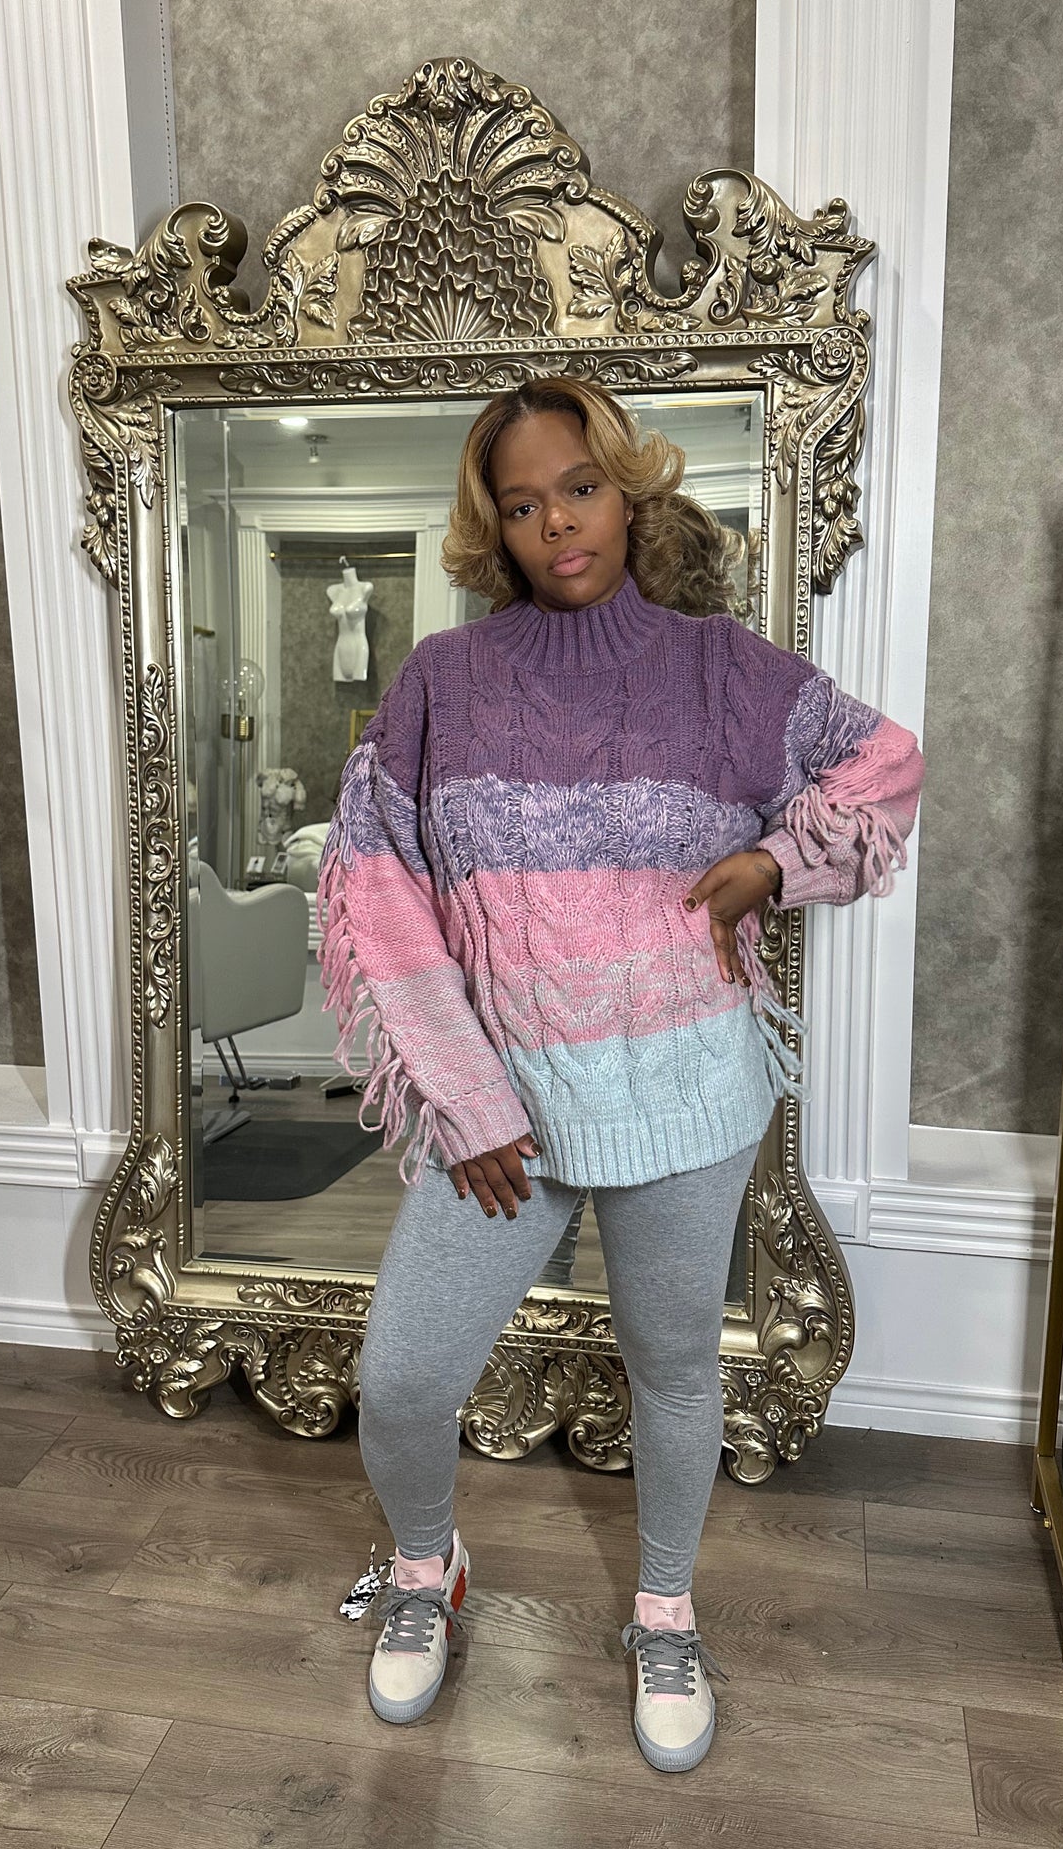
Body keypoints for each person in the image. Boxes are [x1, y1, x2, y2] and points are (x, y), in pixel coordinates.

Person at [317, 376, 923, 1772]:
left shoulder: (723, 669)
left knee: (673, 1369)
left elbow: (886, 764)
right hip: (506, 1115)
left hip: (689, 1093)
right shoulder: (443, 682)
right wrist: (463, 1093)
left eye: (578, 489)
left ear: (628, 488)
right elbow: (375, 887)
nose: (557, 525)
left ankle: (664, 1611)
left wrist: (776, 860)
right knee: (402, 1377)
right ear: (495, 529)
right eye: (522, 505)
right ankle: (426, 1568)